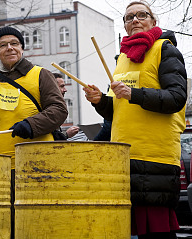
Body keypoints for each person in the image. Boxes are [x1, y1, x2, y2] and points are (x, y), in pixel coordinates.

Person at [83, 1, 187, 238]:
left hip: (154, 157)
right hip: (123, 156)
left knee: (157, 232)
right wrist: (100, 101)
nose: (135, 21)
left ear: (153, 21)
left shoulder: (166, 50)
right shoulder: (122, 58)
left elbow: (176, 98)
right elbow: (118, 111)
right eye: (129, 18)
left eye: (142, 15)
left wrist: (135, 94)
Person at [0, 26, 68, 165]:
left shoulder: (41, 74)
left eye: (14, 43)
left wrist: (31, 125)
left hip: (38, 161)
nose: (9, 48)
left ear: (22, 48)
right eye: (3, 45)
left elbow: (59, 110)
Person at [52, 72, 79, 139]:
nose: (65, 90)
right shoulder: (46, 107)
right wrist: (66, 135)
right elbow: (50, 137)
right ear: (52, 87)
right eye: (62, 86)